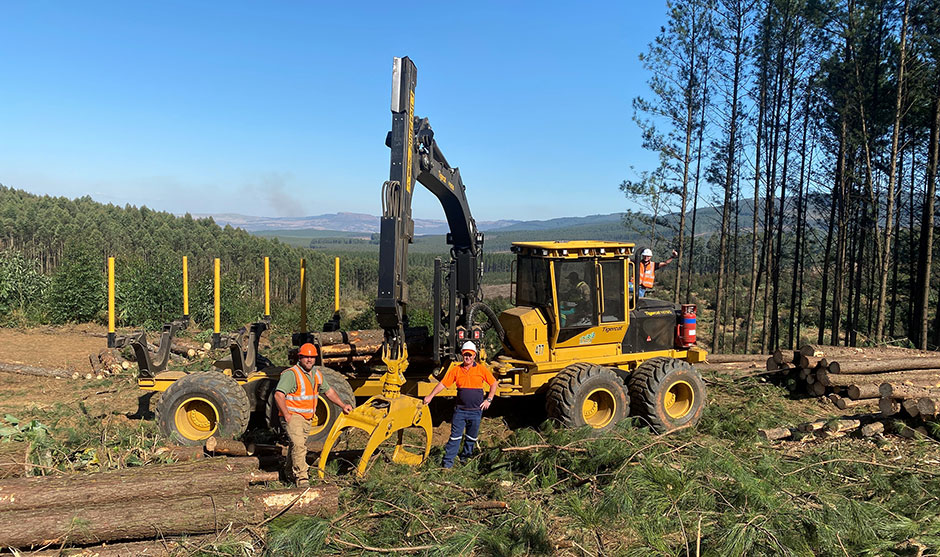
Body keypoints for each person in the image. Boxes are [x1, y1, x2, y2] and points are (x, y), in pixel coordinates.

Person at [274, 343, 353, 483]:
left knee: (295, 445)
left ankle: (288, 472)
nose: (309, 360)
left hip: (307, 418)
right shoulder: (292, 374)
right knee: (299, 445)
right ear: (300, 358)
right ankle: (302, 477)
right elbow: (279, 395)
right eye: (306, 357)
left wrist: (342, 405)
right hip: (293, 416)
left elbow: (329, 391)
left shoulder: (316, 374)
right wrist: (286, 414)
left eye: (312, 357)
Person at [423, 341, 498, 468]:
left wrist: (489, 399)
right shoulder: (456, 370)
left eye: (470, 355)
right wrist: (430, 396)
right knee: (455, 438)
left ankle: (465, 459)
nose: (467, 357)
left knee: (471, 438)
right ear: (462, 355)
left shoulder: (481, 369)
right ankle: (447, 464)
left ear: (474, 356)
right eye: (465, 355)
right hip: (460, 411)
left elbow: (494, 383)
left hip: (476, 411)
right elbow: (442, 384)